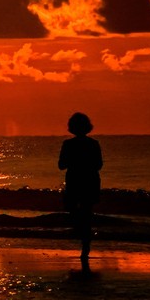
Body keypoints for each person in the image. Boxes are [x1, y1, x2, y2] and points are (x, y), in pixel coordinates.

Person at [58, 112, 103, 261]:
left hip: (76, 180)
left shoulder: (68, 144)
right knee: (86, 212)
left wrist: (74, 161)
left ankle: (84, 241)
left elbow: (61, 165)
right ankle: (85, 243)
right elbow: (98, 165)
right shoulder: (93, 144)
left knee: (74, 210)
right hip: (89, 180)